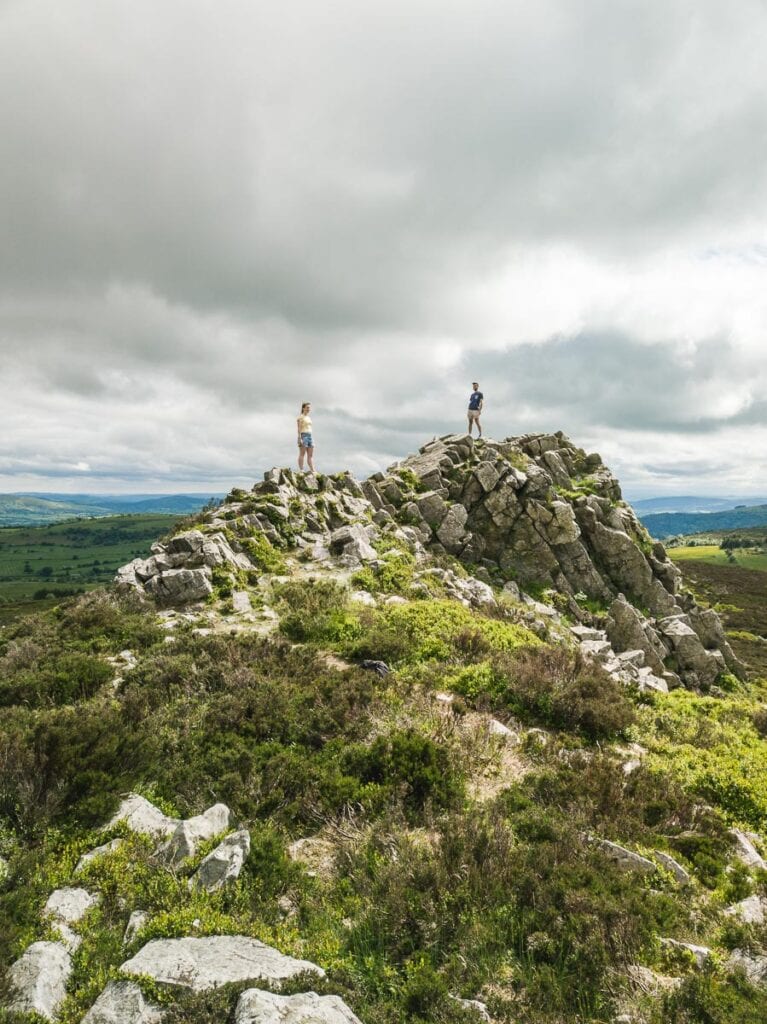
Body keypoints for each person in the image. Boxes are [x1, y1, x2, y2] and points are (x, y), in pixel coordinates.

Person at [297, 402, 315, 472]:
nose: (308, 409)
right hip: (303, 435)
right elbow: (299, 428)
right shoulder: (300, 417)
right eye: (307, 407)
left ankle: (313, 469)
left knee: (310, 455)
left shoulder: (309, 418)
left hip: (310, 435)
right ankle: (302, 469)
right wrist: (299, 438)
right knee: (302, 454)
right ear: (303, 408)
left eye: (309, 408)